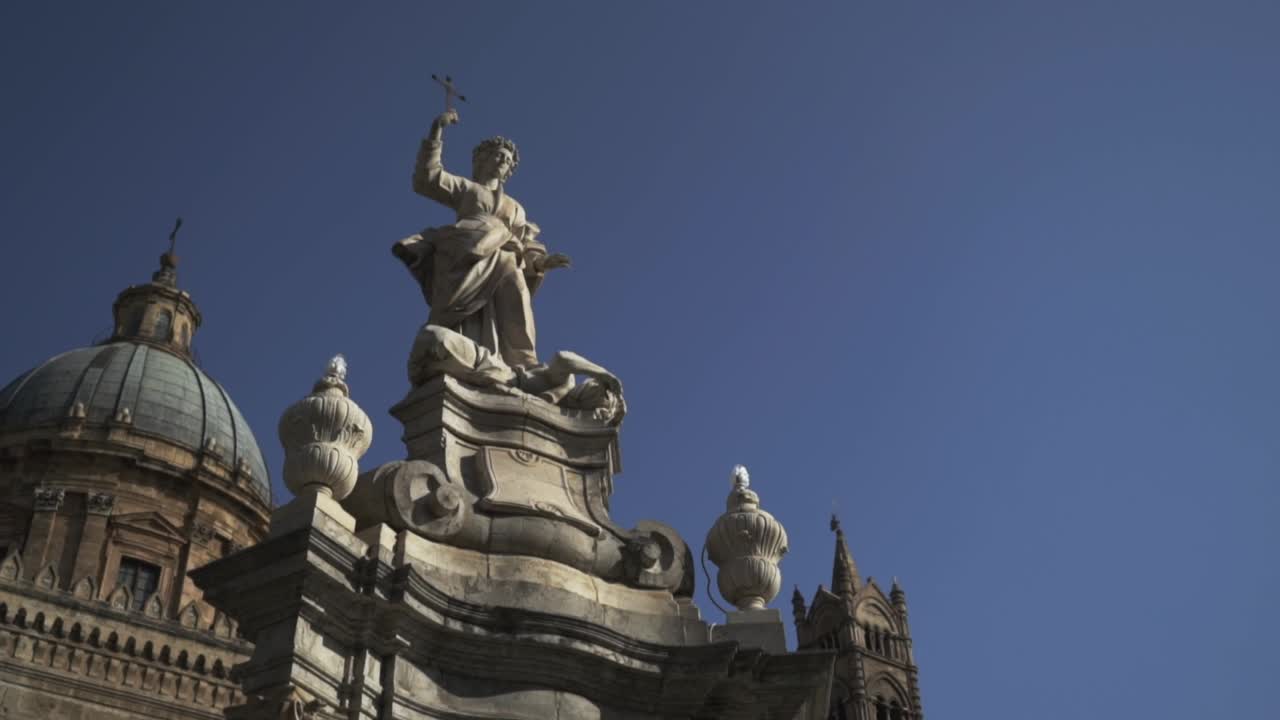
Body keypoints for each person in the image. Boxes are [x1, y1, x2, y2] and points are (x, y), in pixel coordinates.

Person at [394, 108, 570, 368]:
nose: (502, 161)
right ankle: (457, 351)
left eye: (508, 159)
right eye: (497, 155)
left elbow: (526, 244)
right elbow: (427, 179)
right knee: (460, 316)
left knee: (517, 296)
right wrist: (436, 131)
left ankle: (523, 360)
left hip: (507, 256)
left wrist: (541, 263)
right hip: (467, 254)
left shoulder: (516, 207)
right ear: (481, 159)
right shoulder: (468, 189)